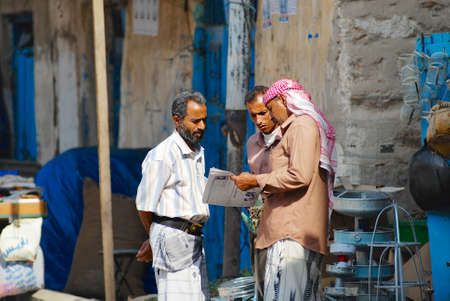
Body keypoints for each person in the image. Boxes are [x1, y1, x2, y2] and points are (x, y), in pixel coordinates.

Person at [231, 79, 336, 301]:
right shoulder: (291, 128)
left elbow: (299, 175)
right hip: (275, 228)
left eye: (269, 110)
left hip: (293, 230)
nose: (266, 117)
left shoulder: (301, 125)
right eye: (256, 114)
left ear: (282, 100)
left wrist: (256, 181)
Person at [135, 91, 210, 300]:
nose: (202, 126)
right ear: (177, 120)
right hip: (172, 242)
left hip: (194, 239)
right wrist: (153, 238)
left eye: (204, 120)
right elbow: (144, 205)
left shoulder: (197, 152)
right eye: (195, 121)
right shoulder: (162, 155)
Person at [244, 85, 281, 300]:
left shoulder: (288, 137)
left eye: (262, 113)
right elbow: (254, 180)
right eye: (253, 115)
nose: (259, 120)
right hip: (260, 225)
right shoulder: (251, 143)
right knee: (262, 285)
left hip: (285, 222)